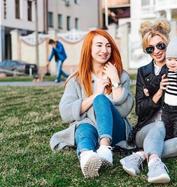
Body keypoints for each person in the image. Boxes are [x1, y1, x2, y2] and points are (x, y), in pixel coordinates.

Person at [120, 21, 177, 184]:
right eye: (150, 49)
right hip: (149, 130)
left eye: (160, 46)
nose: (156, 51)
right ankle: (155, 162)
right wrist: (158, 92)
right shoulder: (144, 73)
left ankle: (142, 155)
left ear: (167, 44)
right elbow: (140, 111)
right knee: (161, 124)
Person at [49, 29, 134, 178]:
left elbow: (125, 110)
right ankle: (86, 155)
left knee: (100, 100)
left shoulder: (121, 75)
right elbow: (65, 113)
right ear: (89, 48)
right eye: (99, 45)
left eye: (108, 46)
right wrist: (95, 94)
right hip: (89, 130)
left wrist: (115, 82)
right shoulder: (76, 79)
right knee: (84, 126)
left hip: (117, 131)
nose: (104, 50)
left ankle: (105, 147)